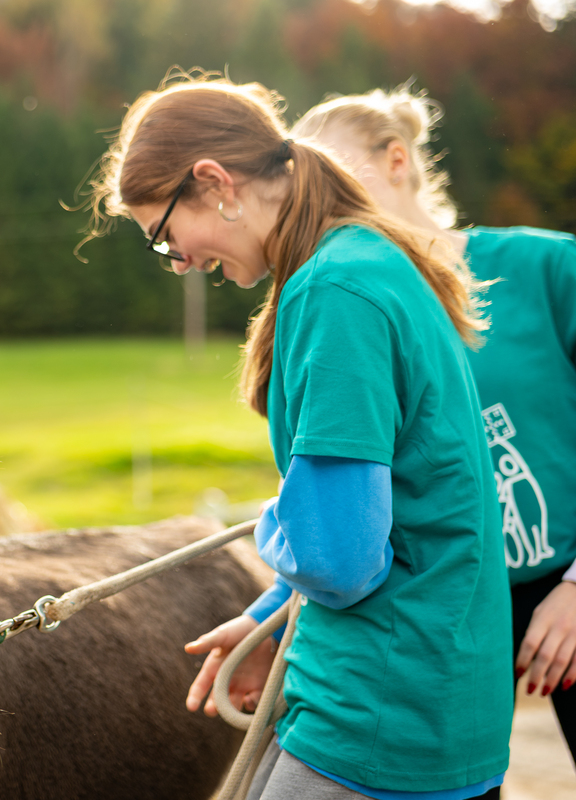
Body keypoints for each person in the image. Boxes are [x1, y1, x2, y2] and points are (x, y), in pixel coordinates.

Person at [86, 75, 511, 799]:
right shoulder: (369, 260)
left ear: (214, 182)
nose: (180, 263)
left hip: (376, 713)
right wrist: (269, 616)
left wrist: (280, 522)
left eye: (164, 236)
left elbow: (339, 558)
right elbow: (400, 512)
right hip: (438, 696)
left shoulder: (333, 291)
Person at [292, 85, 576, 760]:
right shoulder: (349, 311)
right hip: (446, 612)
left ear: (397, 162)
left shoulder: (548, 267)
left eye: (341, 173)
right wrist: (268, 621)